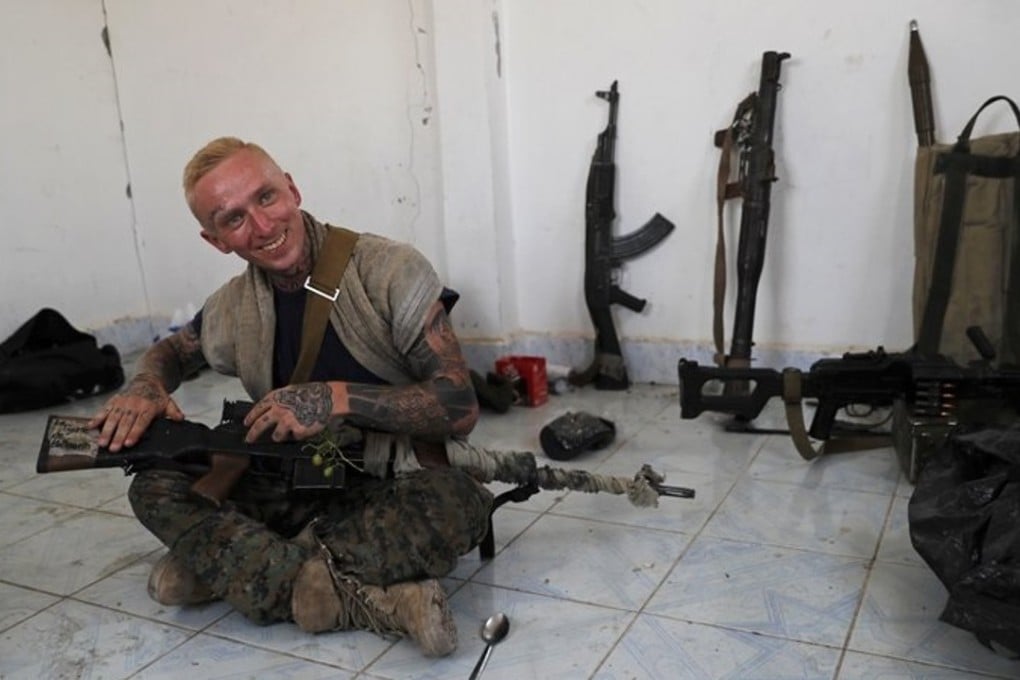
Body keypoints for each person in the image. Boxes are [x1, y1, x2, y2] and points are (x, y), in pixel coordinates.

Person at [88, 136, 494, 657]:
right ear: (216, 241)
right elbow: (172, 351)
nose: (262, 227)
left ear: (293, 189)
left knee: (456, 505)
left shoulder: (389, 270)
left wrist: (334, 398)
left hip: (392, 481)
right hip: (293, 481)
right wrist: (145, 386)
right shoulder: (235, 307)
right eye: (232, 219)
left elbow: (459, 407)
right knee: (154, 486)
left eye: (266, 198)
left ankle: (241, 570)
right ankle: (355, 594)